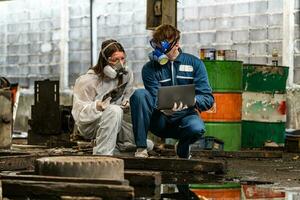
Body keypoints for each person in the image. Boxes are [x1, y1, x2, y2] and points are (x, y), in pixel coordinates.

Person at [130, 24, 214, 158]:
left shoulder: (195, 64)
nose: (159, 52)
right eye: (157, 46)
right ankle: (141, 148)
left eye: (163, 47)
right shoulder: (150, 68)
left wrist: (192, 100)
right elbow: (151, 97)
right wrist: (162, 105)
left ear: (176, 44)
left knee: (197, 128)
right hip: (160, 121)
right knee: (139, 95)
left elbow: (208, 99)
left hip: (184, 119)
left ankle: (183, 146)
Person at [71, 39, 137, 155]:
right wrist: (97, 106)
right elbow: (78, 114)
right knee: (114, 110)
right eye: (115, 59)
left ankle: (111, 147)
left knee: (146, 144)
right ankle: (102, 155)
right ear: (105, 60)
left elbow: (128, 94)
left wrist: (127, 103)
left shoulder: (126, 76)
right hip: (91, 124)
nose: (120, 63)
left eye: (122, 58)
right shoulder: (88, 81)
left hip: (116, 121)